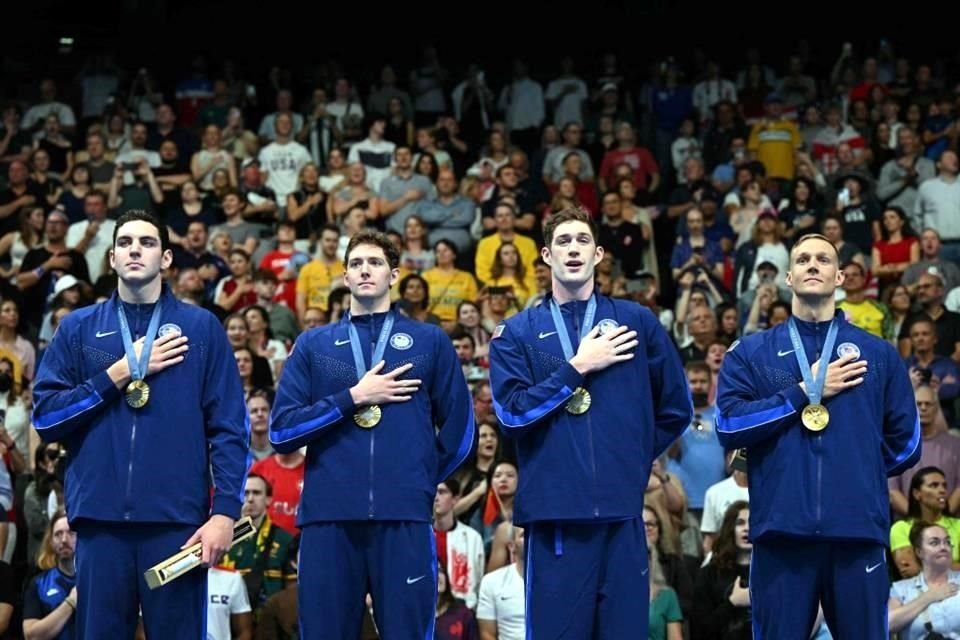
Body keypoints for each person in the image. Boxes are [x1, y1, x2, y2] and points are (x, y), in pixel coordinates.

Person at [32, 210, 249, 638]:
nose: (135, 249)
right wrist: (118, 375)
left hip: (177, 525)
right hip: (100, 523)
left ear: (167, 259)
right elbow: (47, 417)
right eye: (126, 243)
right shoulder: (78, 328)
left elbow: (228, 428)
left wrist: (225, 511)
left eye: (147, 243)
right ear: (111, 258)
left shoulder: (201, 327)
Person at [489, 206, 691, 637]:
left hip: (622, 514)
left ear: (599, 254)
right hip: (555, 516)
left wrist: (631, 461)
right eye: (563, 241)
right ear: (546, 256)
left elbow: (675, 408)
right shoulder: (517, 332)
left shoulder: (637, 321)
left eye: (582, 240)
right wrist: (577, 366)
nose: (573, 249)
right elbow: (511, 413)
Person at [268, 230, 474, 638]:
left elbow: (461, 430)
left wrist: (418, 481)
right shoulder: (314, 344)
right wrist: (353, 397)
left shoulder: (429, 340)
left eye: (375, 263)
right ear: (344, 276)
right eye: (357, 264)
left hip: (404, 516)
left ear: (394, 274)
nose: (366, 270)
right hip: (329, 516)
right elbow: (281, 430)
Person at [716, 232, 921, 638]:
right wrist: (803, 392)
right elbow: (729, 424)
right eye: (804, 259)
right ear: (789, 277)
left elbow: (908, 441)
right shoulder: (751, 353)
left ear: (840, 276)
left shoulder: (878, 354)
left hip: (856, 531)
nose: (813, 265)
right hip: (781, 531)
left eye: (823, 260)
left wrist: (857, 472)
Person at [889, 521, 960, 639]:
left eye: (947, 542)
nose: (943, 547)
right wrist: (928, 597)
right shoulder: (901, 589)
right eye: (934, 543)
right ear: (919, 552)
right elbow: (889, 623)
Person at [890, 466, 960, 578]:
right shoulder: (901, 528)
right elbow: (909, 568)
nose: (942, 490)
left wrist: (924, 565)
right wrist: (951, 566)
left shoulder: (958, 525)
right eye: (934, 485)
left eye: (944, 486)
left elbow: (917, 567)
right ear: (917, 493)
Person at [22, 512, 77, 640]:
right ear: (51, 542)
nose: (64, 540)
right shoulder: (38, 584)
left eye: (71, 533)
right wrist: (70, 602)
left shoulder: (97, 581)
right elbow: (31, 636)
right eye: (58, 534)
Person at [476, 525, 526, 640]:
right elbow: (487, 634)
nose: (529, 538)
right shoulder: (492, 582)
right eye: (523, 535)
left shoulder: (555, 581)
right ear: (512, 546)